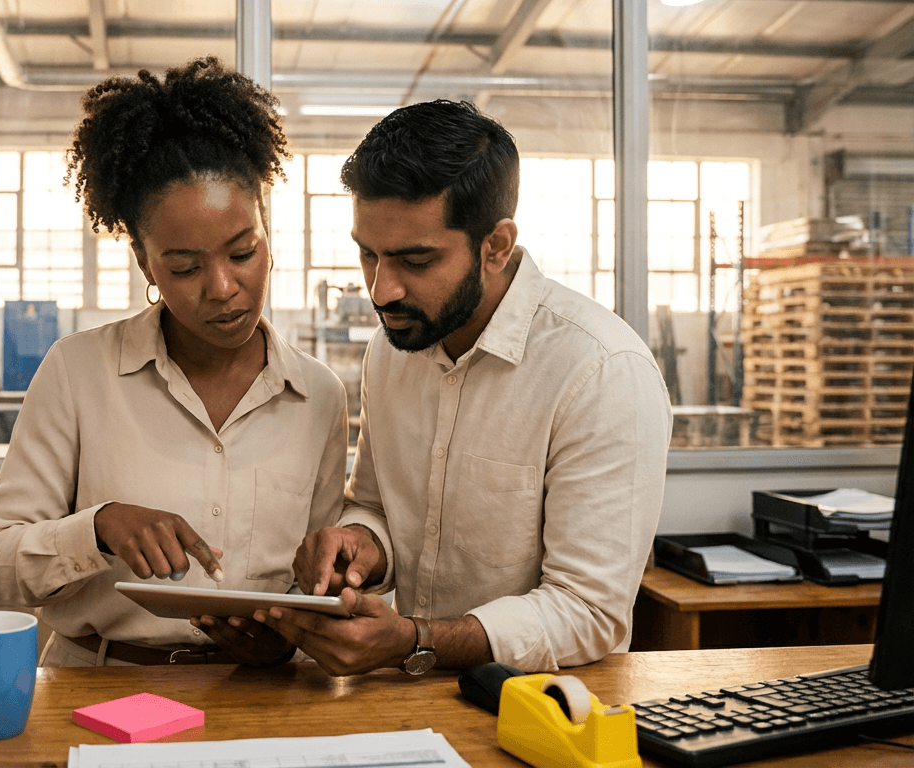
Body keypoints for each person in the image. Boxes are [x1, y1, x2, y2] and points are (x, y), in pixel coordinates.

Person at [257, 100, 672, 676]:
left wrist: (413, 641)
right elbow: (378, 505)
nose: (381, 290)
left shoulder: (602, 371)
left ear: (496, 246)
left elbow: (590, 612)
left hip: (548, 714)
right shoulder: (394, 348)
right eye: (367, 253)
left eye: (415, 260)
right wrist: (359, 547)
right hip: (414, 699)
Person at [0, 57, 348, 667]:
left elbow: (319, 575)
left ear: (267, 235)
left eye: (243, 251)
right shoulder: (78, 372)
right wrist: (97, 527)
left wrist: (293, 627)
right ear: (147, 265)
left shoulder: (319, 396)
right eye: (184, 266)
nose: (223, 286)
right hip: (99, 684)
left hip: (264, 693)